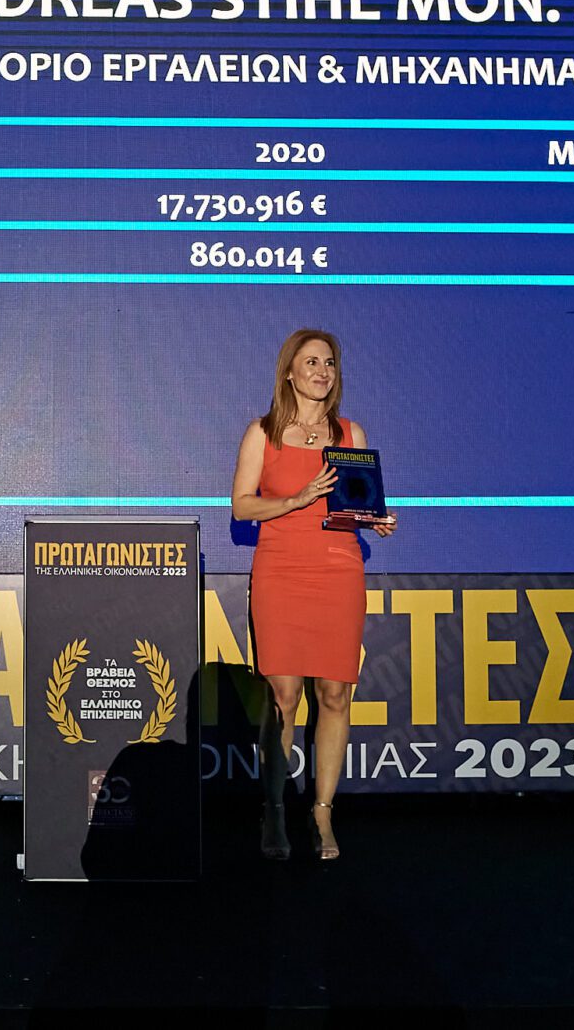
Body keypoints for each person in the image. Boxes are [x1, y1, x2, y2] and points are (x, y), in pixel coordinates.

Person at [231, 328, 396, 862]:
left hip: (338, 571)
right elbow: (241, 506)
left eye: (329, 363)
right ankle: (275, 808)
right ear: (289, 372)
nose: (322, 371)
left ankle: (322, 812)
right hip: (280, 570)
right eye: (311, 362)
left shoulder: (350, 432)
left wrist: (375, 519)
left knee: (335, 695)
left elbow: (355, 504)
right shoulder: (263, 432)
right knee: (282, 698)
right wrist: (296, 499)